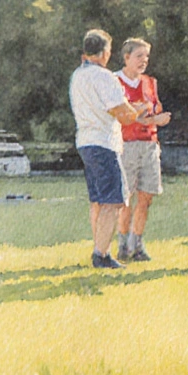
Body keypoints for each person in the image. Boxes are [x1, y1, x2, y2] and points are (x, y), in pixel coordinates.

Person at [68, 29, 141, 269]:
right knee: (115, 200)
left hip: (85, 141)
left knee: (98, 199)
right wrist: (139, 110)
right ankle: (101, 253)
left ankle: (100, 249)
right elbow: (122, 115)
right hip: (104, 143)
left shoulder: (78, 75)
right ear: (105, 52)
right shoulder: (104, 77)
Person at [114, 37, 171, 263]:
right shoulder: (115, 81)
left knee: (146, 196)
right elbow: (122, 116)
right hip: (126, 145)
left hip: (149, 145)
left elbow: (153, 109)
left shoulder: (150, 82)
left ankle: (137, 243)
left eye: (146, 57)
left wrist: (153, 118)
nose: (144, 61)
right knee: (125, 197)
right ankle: (122, 243)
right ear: (126, 57)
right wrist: (143, 116)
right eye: (139, 56)